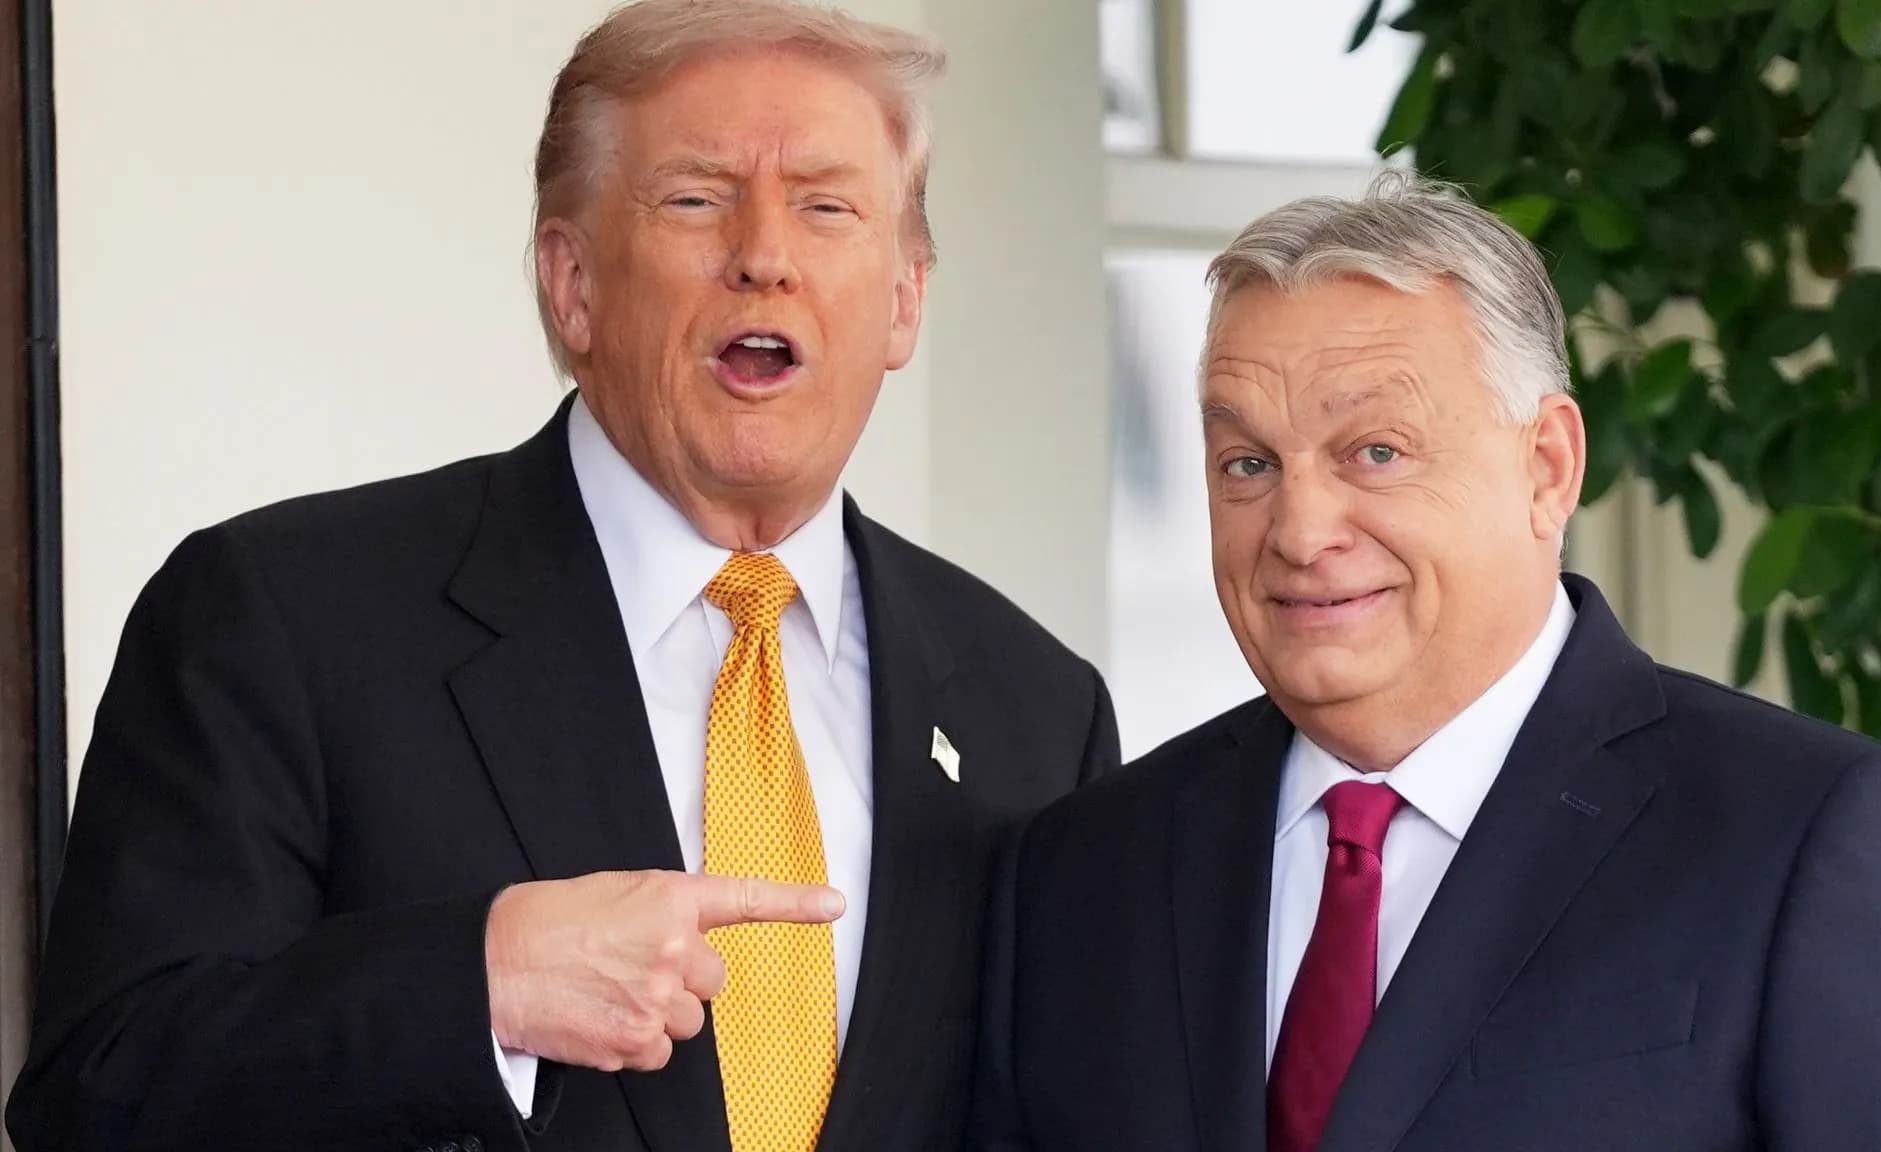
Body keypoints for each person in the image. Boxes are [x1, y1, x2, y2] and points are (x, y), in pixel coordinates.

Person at [7, 3, 1118, 1150]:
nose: (764, 256)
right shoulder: (278, 617)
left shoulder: (1038, 713)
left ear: (904, 300)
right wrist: (478, 988)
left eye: (825, 207)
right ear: (571, 283)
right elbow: (100, 1095)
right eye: (695, 198)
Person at [971, 172, 1881, 1151]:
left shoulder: (1813, 834)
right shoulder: (1083, 872)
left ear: (1547, 467)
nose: (1298, 530)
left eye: (1374, 452)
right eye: (1247, 463)